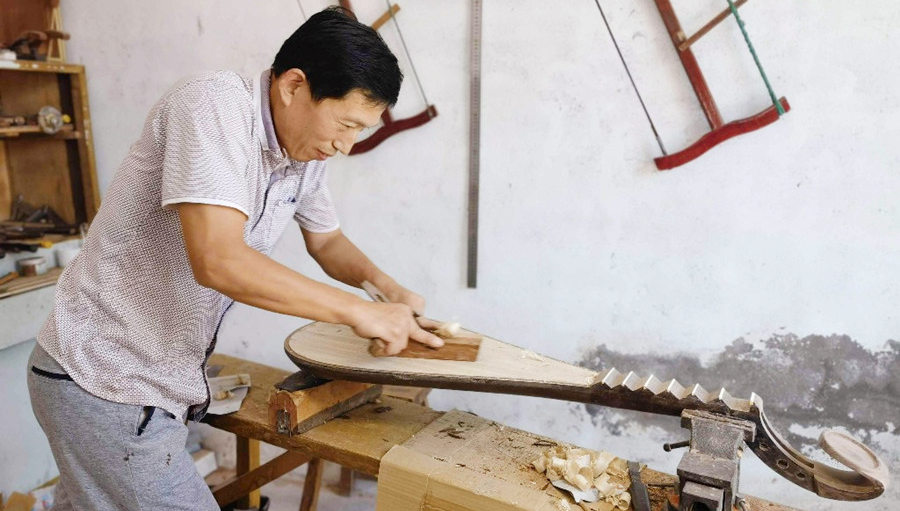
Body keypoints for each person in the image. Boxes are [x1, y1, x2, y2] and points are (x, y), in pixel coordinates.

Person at [27, 7, 442, 510]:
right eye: (346, 124)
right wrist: (360, 313)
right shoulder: (212, 107)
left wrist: (385, 289)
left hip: (155, 381)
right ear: (293, 86)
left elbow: (327, 242)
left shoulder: (301, 152)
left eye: (361, 130)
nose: (346, 146)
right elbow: (218, 260)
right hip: (105, 380)